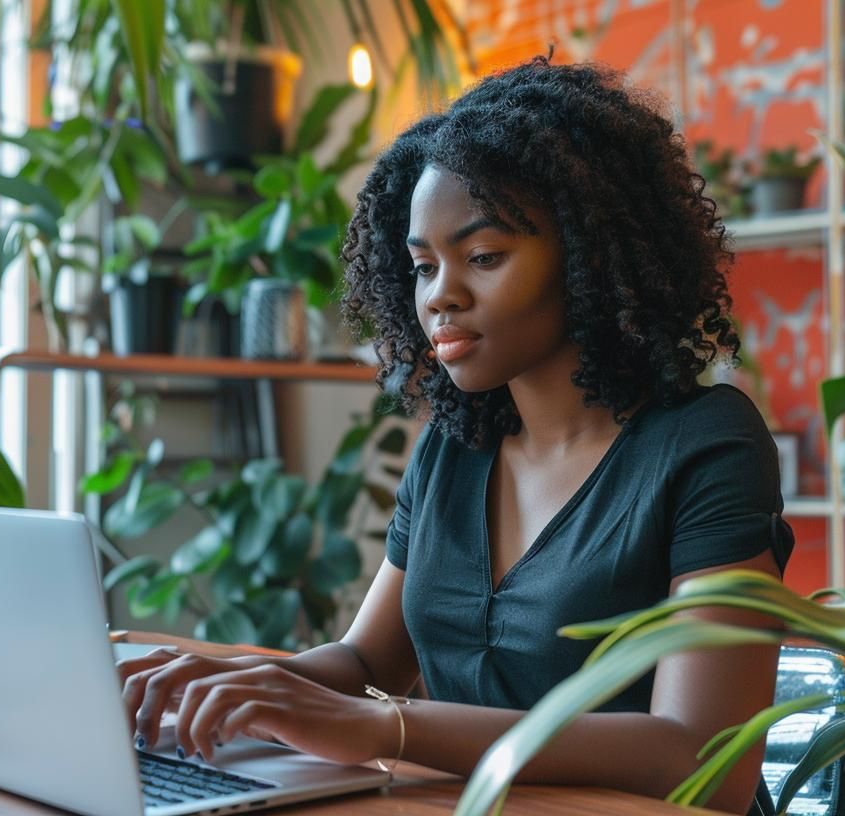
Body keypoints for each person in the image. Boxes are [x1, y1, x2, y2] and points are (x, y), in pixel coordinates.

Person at [120, 56, 795, 816]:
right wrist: (219, 681)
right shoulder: (457, 446)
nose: (441, 295)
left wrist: (386, 726)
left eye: (482, 257)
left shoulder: (706, 444)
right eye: (421, 266)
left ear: (587, 254)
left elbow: (700, 756)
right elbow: (367, 659)